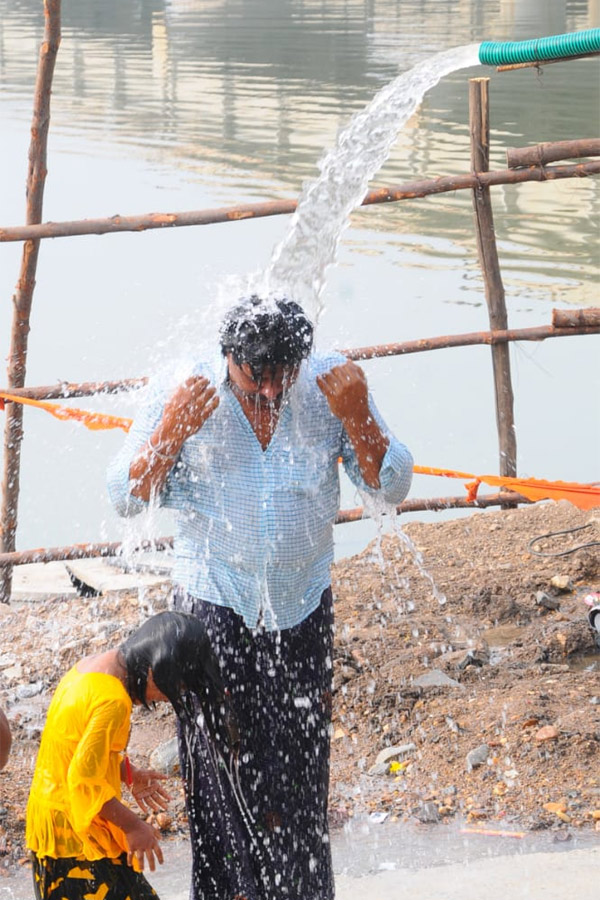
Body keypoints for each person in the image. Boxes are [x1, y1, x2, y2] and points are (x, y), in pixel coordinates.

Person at [107, 295, 413, 900]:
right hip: (210, 611)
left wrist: (359, 417)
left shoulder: (329, 382)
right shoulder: (187, 385)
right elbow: (125, 496)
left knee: (300, 768)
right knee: (218, 775)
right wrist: (171, 430)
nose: (272, 392)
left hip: (301, 605)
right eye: (255, 380)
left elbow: (393, 484)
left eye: (282, 377)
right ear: (229, 359)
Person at [26, 610, 230, 900]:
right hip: (74, 840)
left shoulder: (89, 668)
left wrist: (127, 773)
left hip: (58, 825)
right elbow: (83, 781)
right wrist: (134, 826)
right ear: (157, 670)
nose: (163, 699)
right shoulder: (114, 702)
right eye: (173, 688)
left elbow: (76, 749)